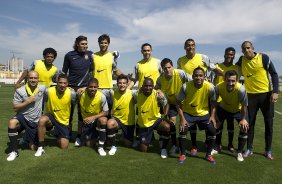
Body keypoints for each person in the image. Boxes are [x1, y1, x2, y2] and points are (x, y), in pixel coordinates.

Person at [177, 38, 221, 156]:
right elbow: (179, 76)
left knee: (207, 118)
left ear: (195, 46)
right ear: (185, 47)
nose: (190, 47)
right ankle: (194, 145)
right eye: (188, 45)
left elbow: (214, 68)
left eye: (192, 45)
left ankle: (208, 144)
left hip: (204, 91)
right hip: (190, 92)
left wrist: (225, 76)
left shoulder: (203, 57)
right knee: (192, 116)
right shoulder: (180, 60)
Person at [236, 41, 279, 160]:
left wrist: (275, 91)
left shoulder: (263, 57)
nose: (246, 50)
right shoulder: (241, 60)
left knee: (268, 124)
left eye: (248, 48)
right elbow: (234, 71)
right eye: (244, 49)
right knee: (250, 124)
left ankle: (268, 150)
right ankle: (249, 149)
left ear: (253, 48)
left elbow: (274, 74)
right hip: (250, 97)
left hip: (266, 96)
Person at [176, 67, 217, 164]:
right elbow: (178, 102)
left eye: (200, 75)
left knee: (212, 129)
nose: (198, 77)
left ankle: (208, 155)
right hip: (189, 114)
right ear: (193, 76)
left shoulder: (210, 87)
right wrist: (182, 118)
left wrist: (212, 116)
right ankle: (182, 154)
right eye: (196, 75)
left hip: (204, 114)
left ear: (204, 77)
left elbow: (213, 102)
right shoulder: (186, 86)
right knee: (183, 129)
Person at [7, 71, 46, 161]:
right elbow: (15, 107)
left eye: (35, 78)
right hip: (23, 117)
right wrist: (27, 102)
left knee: (33, 147)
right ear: (27, 79)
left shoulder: (43, 88)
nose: (33, 80)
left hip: (35, 121)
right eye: (31, 78)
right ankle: (14, 151)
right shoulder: (20, 90)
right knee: (12, 122)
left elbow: (55, 91)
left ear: (38, 79)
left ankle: (25, 138)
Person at [155, 58, 192, 154]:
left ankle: (192, 144)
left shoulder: (180, 73)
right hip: (171, 103)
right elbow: (156, 87)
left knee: (187, 123)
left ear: (172, 66)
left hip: (185, 103)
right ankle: (175, 145)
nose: (167, 70)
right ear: (162, 69)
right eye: (165, 68)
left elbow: (192, 80)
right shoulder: (161, 78)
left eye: (169, 67)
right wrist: (159, 91)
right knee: (172, 122)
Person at [34, 74, 76, 156]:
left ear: (67, 84)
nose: (62, 85)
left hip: (63, 120)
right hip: (51, 117)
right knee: (42, 120)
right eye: (60, 82)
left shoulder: (72, 93)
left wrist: (70, 121)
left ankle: (58, 133)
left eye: (64, 83)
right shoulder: (48, 91)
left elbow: (73, 107)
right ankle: (40, 147)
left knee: (64, 146)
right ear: (57, 82)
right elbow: (42, 102)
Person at [62, 35, 93, 146]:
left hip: (83, 90)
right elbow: (64, 73)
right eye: (82, 44)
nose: (85, 46)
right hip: (70, 89)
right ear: (77, 44)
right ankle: (68, 133)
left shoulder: (90, 54)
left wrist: (86, 87)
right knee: (68, 114)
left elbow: (93, 72)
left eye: (86, 43)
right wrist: (66, 86)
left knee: (81, 115)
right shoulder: (69, 55)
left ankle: (79, 136)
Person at [213, 70, 249, 161]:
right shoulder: (218, 87)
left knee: (244, 128)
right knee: (216, 126)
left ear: (237, 80)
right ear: (224, 79)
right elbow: (214, 102)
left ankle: (239, 152)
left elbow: (244, 106)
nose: (230, 83)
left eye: (233, 81)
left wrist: (243, 119)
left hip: (238, 111)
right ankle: (217, 146)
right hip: (223, 109)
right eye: (228, 80)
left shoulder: (241, 89)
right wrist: (214, 115)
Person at [213, 47, 240, 153]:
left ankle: (230, 144)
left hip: (232, 98)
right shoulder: (217, 66)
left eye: (231, 54)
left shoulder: (237, 67)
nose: (229, 56)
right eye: (228, 54)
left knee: (230, 124)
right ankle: (218, 144)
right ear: (224, 55)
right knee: (219, 123)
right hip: (219, 98)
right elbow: (213, 74)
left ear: (234, 56)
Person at [136, 77, 171, 158]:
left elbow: (166, 103)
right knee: (143, 150)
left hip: (155, 120)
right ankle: (147, 138)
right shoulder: (137, 94)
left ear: (153, 86)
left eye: (150, 86)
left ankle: (163, 148)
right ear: (142, 86)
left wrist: (165, 116)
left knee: (167, 126)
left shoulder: (157, 94)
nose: (148, 88)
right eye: (146, 86)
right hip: (144, 124)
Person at [106, 74, 137, 155]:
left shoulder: (132, 93)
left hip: (128, 123)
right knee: (110, 123)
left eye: (124, 83)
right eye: (120, 83)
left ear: (127, 84)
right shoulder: (113, 93)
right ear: (117, 84)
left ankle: (123, 138)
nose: (122, 85)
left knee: (128, 144)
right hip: (117, 120)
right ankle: (113, 146)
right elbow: (99, 90)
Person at [79, 78, 109, 156]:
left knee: (103, 120)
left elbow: (106, 112)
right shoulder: (81, 94)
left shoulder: (101, 96)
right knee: (89, 144)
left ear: (98, 87)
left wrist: (93, 117)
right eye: (91, 87)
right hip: (87, 122)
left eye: (95, 87)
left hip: (96, 120)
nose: (93, 89)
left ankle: (100, 146)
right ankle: (99, 135)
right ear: (87, 87)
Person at [91, 34, 122, 111]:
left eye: (105, 43)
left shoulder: (112, 56)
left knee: (109, 113)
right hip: (96, 88)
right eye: (101, 43)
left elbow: (115, 71)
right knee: (96, 113)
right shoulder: (93, 56)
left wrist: (125, 78)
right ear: (98, 43)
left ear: (108, 44)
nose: (103, 44)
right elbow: (89, 70)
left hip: (109, 89)